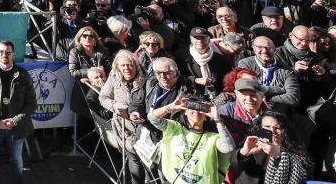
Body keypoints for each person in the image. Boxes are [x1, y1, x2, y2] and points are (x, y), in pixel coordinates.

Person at [0, 40, 36, 184]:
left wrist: (14, 120)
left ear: (13, 55)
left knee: (16, 158)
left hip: (16, 126)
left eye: (8, 52)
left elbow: (32, 103)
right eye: (1, 52)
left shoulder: (23, 75)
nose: (4, 55)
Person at [147, 95, 235, 184]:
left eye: (201, 109)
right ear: (185, 112)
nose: (196, 112)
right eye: (193, 107)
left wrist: (217, 118)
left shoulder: (212, 138)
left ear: (206, 117)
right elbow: (152, 118)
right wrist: (170, 107)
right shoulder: (174, 128)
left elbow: (228, 147)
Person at [99, 50, 145, 184]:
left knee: (149, 161)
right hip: (125, 127)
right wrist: (117, 107)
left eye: (130, 65)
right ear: (117, 67)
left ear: (136, 65)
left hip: (144, 124)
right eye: (123, 65)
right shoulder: (113, 77)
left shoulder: (145, 77)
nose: (127, 68)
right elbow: (103, 97)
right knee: (134, 156)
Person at [237, 111, 312, 184]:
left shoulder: (296, 150)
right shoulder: (254, 144)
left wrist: (279, 156)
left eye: (277, 128)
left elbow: (304, 175)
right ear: (260, 128)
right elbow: (235, 165)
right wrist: (244, 153)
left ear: (285, 131)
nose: (272, 131)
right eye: (267, 127)